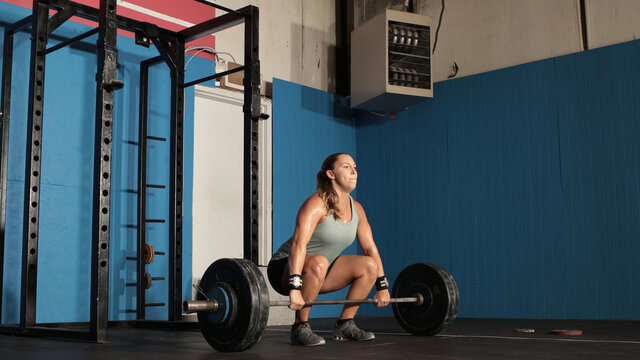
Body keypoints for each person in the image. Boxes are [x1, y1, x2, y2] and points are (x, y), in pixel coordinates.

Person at [267, 153, 391, 346]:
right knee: (319, 262)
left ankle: (345, 324)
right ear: (331, 174)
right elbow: (299, 245)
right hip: (286, 268)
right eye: (346, 167)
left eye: (355, 167)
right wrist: (295, 287)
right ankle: (300, 326)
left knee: (369, 265)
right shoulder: (317, 203)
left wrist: (382, 287)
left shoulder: (356, 209)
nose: (354, 171)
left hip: (322, 269)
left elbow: (370, 248)